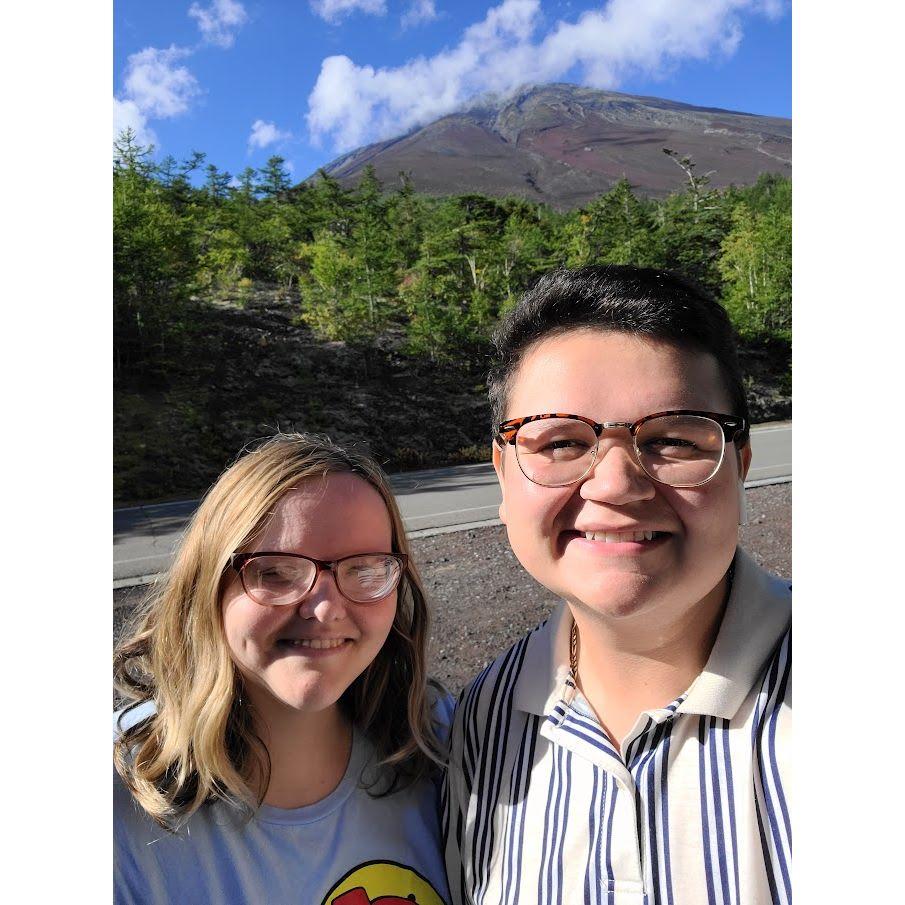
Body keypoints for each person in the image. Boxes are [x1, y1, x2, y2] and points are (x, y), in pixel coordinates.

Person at [443, 266, 791, 905]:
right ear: (503, 475)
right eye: (561, 442)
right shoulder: (480, 724)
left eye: (673, 439)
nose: (616, 484)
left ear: (740, 465)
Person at [114, 433, 451, 905]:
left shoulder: (448, 746)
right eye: (274, 572)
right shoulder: (116, 799)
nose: (327, 608)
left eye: (366, 568)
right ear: (207, 585)